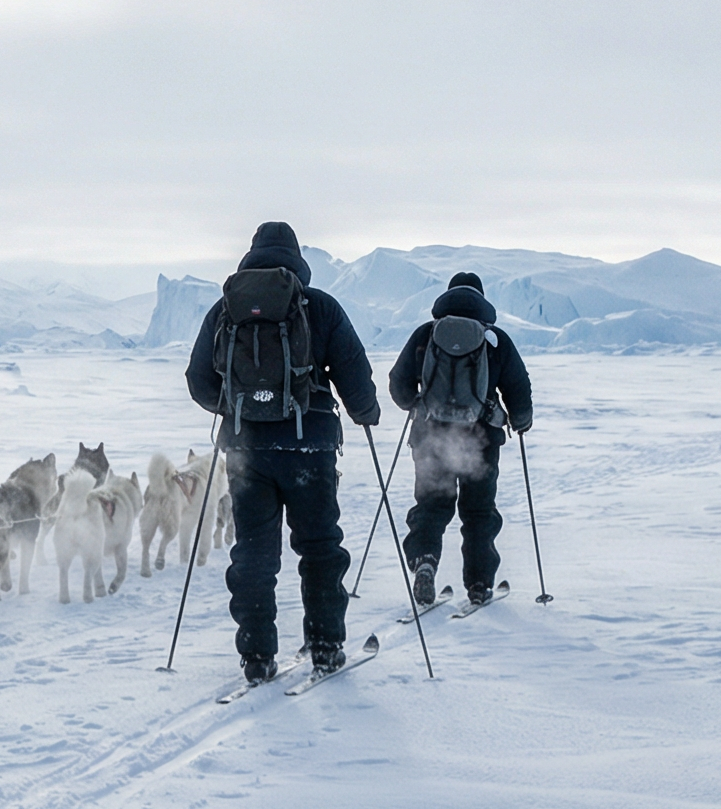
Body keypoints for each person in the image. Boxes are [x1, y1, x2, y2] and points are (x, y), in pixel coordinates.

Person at [185, 222, 382, 684]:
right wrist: (365, 412)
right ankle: (326, 647)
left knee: (254, 552)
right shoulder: (320, 307)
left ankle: (256, 656)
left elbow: (198, 380)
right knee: (319, 548)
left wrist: (236, 409)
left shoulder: (226, 308)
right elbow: (353, 369)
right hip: (309, 448)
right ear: (297, 257)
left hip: (247, 452)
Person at [386, 272, 534, 607]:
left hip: (431, 438)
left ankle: (425, 562)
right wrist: (521, 420)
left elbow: (398, 382)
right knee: (479, 511)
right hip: (480, 442)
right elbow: (518, 385)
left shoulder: (425, 335)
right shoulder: (495, 340)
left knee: (431, 506)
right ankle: (479, 583)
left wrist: (415, 404)